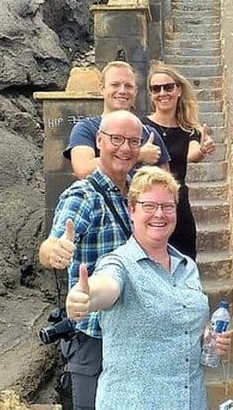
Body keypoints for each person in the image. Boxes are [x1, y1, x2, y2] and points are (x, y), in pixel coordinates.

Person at [65, 166, 232, 409]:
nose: (159, 214)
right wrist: (85, 296)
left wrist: (207, 339)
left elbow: (179, 329)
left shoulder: (187, 267)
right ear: (131, 210)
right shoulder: (119, 263)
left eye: (167, 206)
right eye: (149, 206)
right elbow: (106, 286)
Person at [38, 110, 142, 410]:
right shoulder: (84, 195)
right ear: (99, 141)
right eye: (116, 139)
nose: (125, 148)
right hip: (95, 334)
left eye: (133, 141)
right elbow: (53, 244)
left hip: (132, 331)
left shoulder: (137, 191)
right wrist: (55, 250)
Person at [142, 62, 216, 260]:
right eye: (155, 89)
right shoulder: (141, 126)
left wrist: (202, 149)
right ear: (150, 94)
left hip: (177, 203)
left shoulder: (190, 130)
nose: (162, 93)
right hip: (146, 203)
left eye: (168, 87)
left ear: (178, 90)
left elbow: (192, 155)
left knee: (184, 260)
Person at [64, 61, 170, 179]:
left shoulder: (150, 133)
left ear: (135, 91)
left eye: (129, 86)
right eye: (115, 85)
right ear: (102, 88)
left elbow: (167, 184)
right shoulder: (86, 129)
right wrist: (139, 155)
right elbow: (83, 169)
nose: (122, 91)